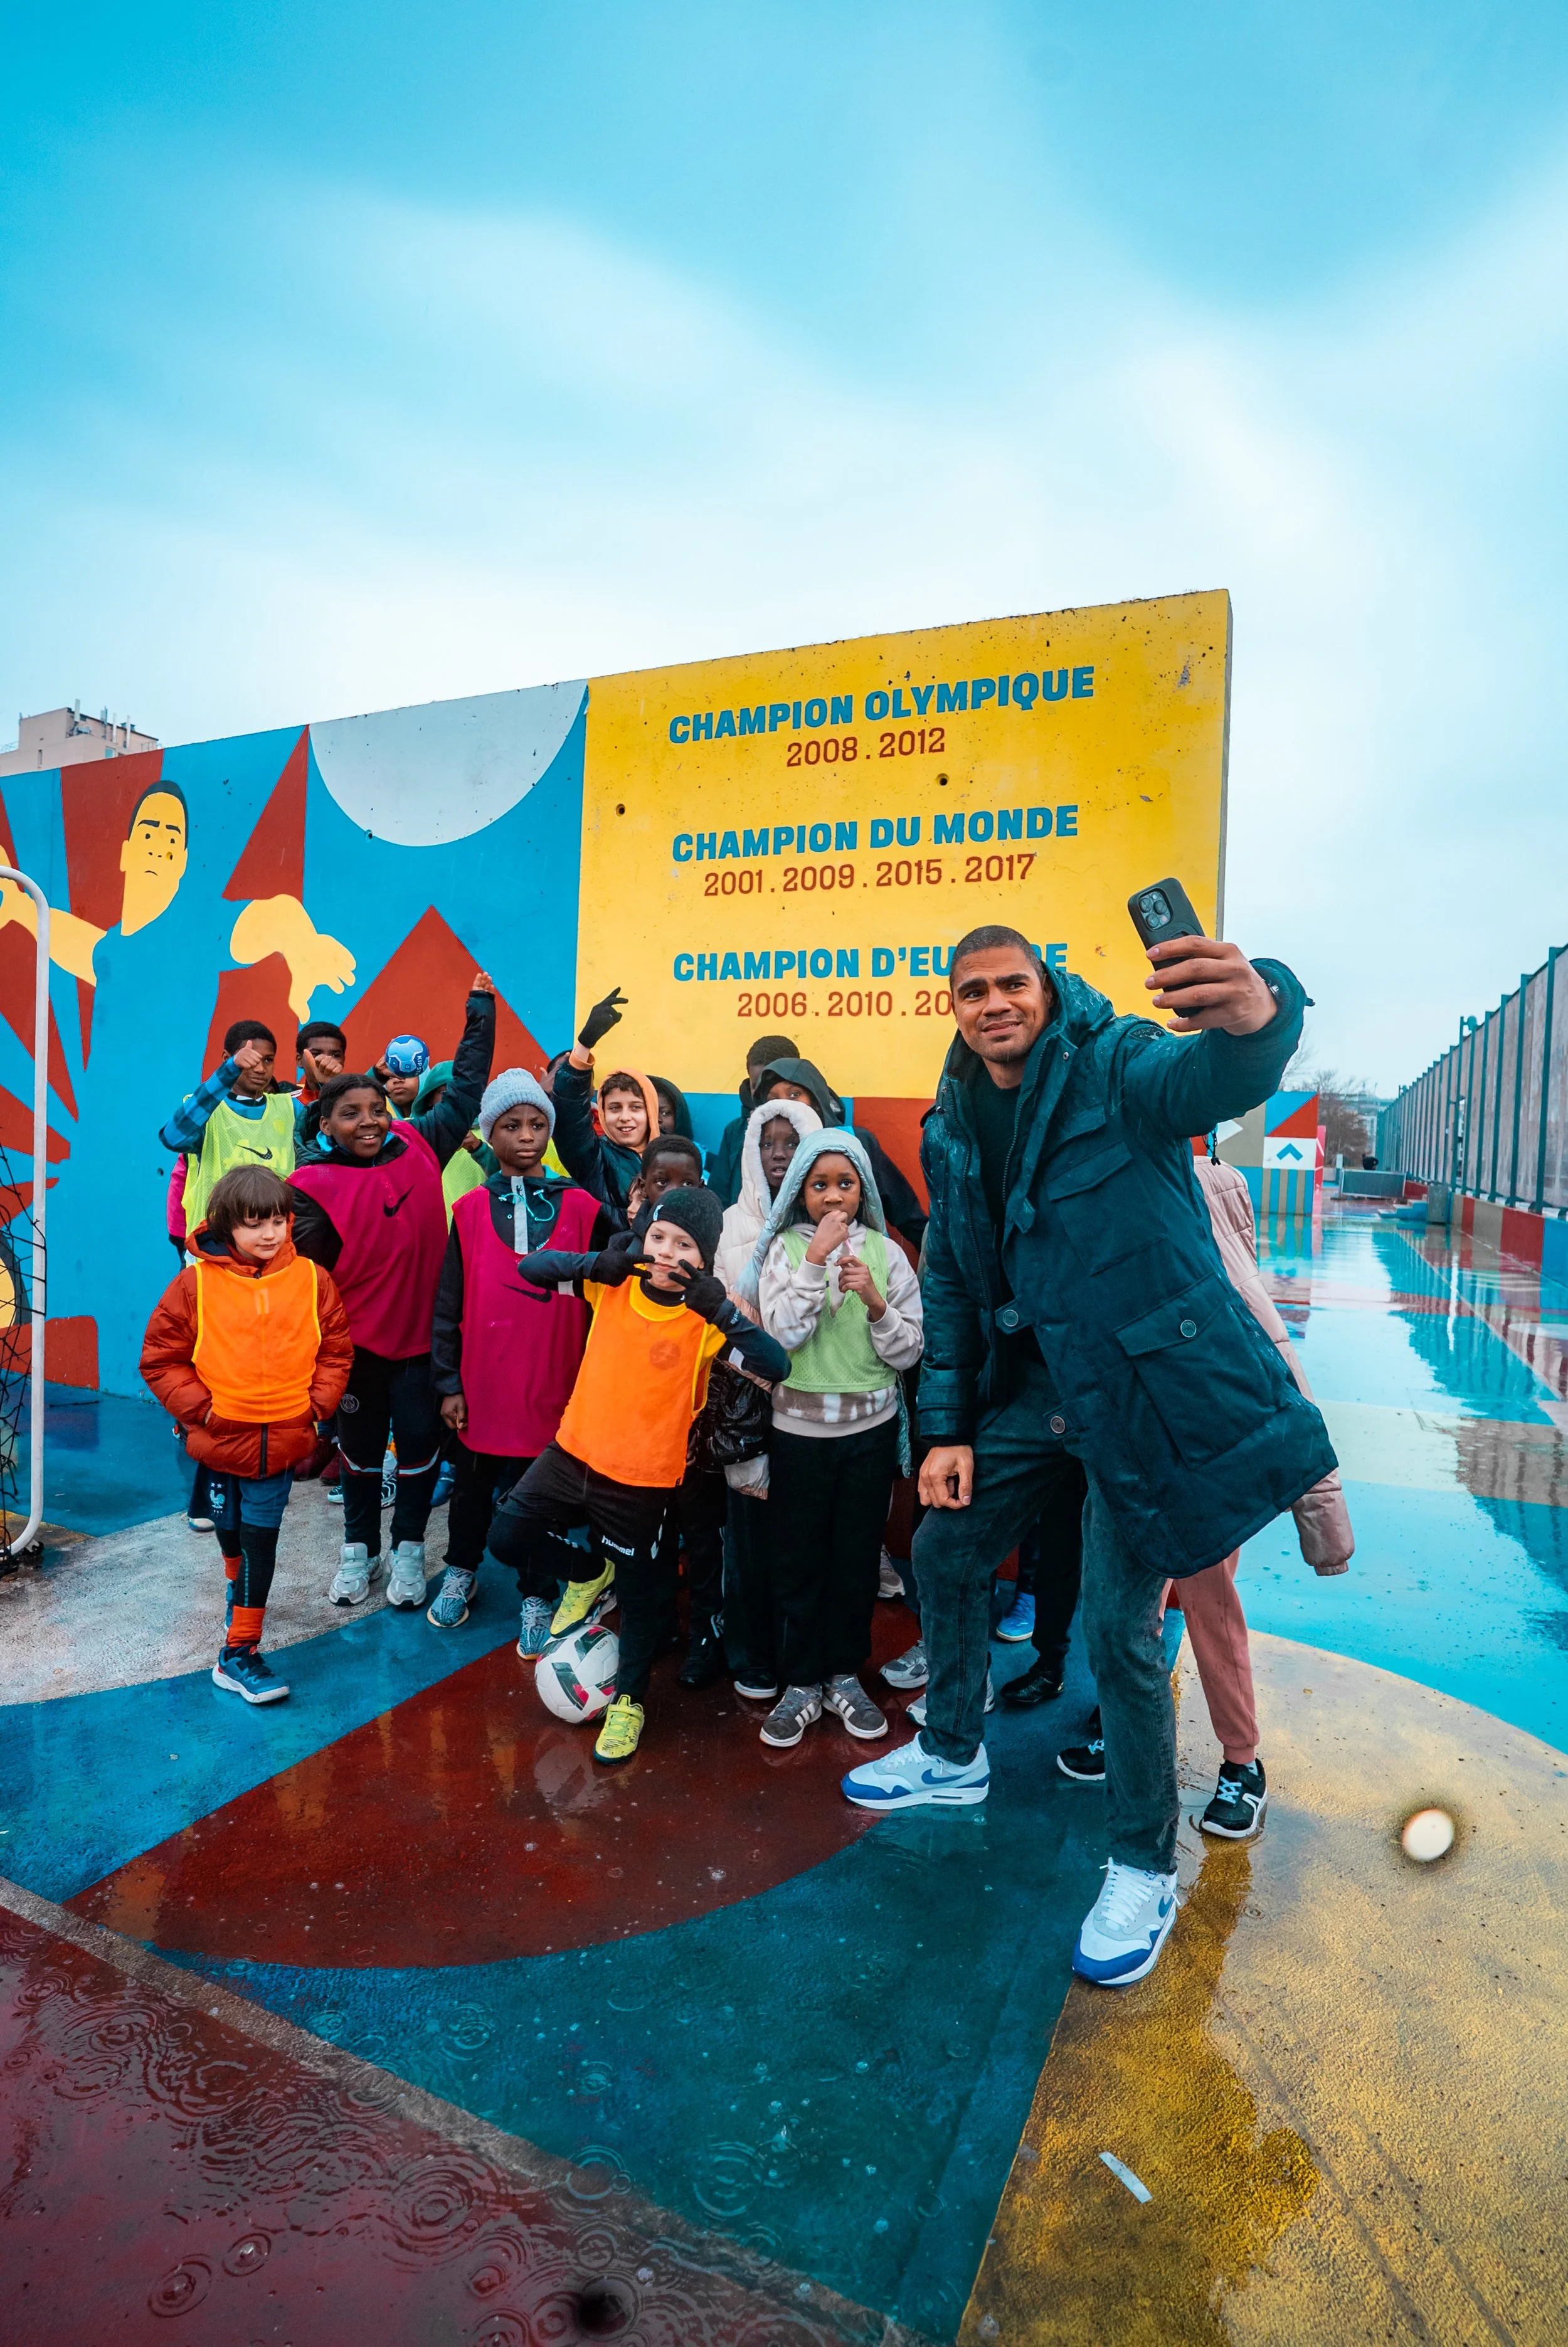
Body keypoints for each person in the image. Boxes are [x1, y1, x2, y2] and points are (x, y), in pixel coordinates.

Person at [840, 922, 1335, 1996]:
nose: (991, 1003)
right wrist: (948, 1434)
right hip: (1032, 1394)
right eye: (971, 989)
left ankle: (1142, 1863)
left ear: (1045, 989)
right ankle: (953, 1750)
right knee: (947, 1549)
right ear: (956, 1007)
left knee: (1119, 1630)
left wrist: (1264, 1015)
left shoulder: (1116, 1063)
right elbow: (959, 1289)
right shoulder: (954, 1128)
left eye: (1009, 982)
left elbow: (1219, 1067)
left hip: (1142, 1399)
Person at [487, 1189, 790, 1764]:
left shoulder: (706, 1322)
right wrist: (593, 1263)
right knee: (507, 1537)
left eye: (685, 1247)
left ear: (704, 1261)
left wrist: (721, 1309)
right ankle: (586, 1569)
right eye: (659, 1239)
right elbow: (530, 1268)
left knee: (642, 1597)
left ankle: (628, 1701)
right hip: (572, 1452)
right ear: (643, 1239)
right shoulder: (612, 1285)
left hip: (643, 1481)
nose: (668, 1254)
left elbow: (776, 1366)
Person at [289, 974, 495, 1610]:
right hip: (356, 1352)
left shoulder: (417, 1143)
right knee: (357, 1458)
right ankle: (360, 1552)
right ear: (325, 1124)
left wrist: (479, 1014)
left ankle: (408, 1549)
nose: (370, 1121)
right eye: (351, 1114)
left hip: (423, 1348)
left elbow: (464, 1088)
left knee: (417, 1455)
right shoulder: (310, 1184)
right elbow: (303, 1277)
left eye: (376, 1109)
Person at [140, 1166, 352, 1705]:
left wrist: (315, 1404)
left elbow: (336, 1350)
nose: (270, 1234)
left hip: (282, 1441)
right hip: (218, 1440)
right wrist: (204, 1411)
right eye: (256, 1224)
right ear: (226, 1226)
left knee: (262, 1538)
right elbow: (161, 1359)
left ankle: (239, 1651)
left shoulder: (312, 1279)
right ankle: (238, 1587)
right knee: (229, 1531)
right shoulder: (195, 1284)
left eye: (279, 1221)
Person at [743, 1130, 924, 1748]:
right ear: (799, 1192)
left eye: (843, 1184)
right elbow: (783, 1338)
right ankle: (800, 1681)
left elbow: (908, 1351)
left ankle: (844, 1676)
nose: (831, 1197)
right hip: (798, 1435)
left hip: (867, 1437)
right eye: (818, 1185)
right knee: (796, 1559)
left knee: (854, 1561)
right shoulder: (783, 1253)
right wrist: (814, 1263)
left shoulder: (885, 1253)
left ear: (863, 1190)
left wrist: (874, 1301)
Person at [428, 1069, 612, 1642]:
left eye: (537, 1124)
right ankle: (461, 1569)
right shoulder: (470, 1210)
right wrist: (448, 1383)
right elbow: (447, 1303)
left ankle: (537, 1592)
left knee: (535, 1499)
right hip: (484, 1383)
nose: (526, 1136)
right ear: (489, 1132)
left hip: (556, 1383)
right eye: (511, 1125)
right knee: (473, 1487)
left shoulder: (582, 1208)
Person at [713, 1096, 824, 1697]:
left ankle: (798, 1659)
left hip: (811, 1413)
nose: (779, 1154)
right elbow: (724, 1318)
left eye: (790, 1141)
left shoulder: (830, 1222)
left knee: (802, 1544)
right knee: (748, 1542)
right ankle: (750, 1654)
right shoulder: (732, 1223)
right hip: (751, 1411)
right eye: (768, 1143)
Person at [750, 1056, 928, 1254]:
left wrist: (934, 1260)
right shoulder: (762, 1150)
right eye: (774, 1099)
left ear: (816, 1100)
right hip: (790, 1264)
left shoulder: (854, 1141)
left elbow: (903, 1208)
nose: (785, 1105)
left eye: (795, 1094)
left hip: (857, 1260)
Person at [159, 1020, 298, 1240]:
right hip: (214, 1246)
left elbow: (341, 1121)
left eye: (268, 1060)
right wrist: (229, 1071)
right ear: (227, 1058)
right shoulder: (207, 1109)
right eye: (251, 1059)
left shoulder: (290, 1108)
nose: (261, 1069)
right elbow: (172, 1138)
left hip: (273, 1245)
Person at [551, 988, 662, 1217]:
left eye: (636, 1107)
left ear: (651, 1110)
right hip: (612, 1252)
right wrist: (584, 1045)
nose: (624, 1117)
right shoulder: (594, 1158)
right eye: (614, 1108)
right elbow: (569, 1117)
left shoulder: (670, 1156)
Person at [712, 1036, 799, 1210]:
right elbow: (718, 1194)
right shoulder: (736, 1132)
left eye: (774, 1084)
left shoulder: (813, 1127)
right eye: (756, 1085)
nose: (765, 1094)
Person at [294, 1020, 347, 1144]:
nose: (326, 1060)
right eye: (316, 1054)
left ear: (344, 1060)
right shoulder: (283, 1104)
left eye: (335, 1055)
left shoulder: (357, 1103)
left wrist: (328, 1087)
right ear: (299, 1060)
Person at [379, 1034, 430, 1116]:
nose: (397, 1080)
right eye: (390, 1077)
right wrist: (376, 1074)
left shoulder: (438, 1121)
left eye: (405, 1074)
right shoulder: (381, 1122)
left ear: (423, 1078)